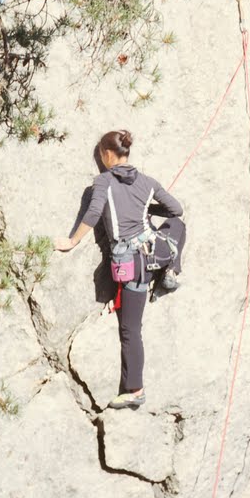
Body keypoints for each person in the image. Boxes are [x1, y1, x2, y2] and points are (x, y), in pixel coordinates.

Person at [55, 129, 185, 410]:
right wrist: (148, 208)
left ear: (107, 154)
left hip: (132, 267)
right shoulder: (147, 181)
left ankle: (135, 390)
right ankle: (172, 270)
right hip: (155, 254)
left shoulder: (103, 182)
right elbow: (176, 210)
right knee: (178, 227)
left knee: (130, 330)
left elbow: (93, 212)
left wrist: (71, 241)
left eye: (101, 154)